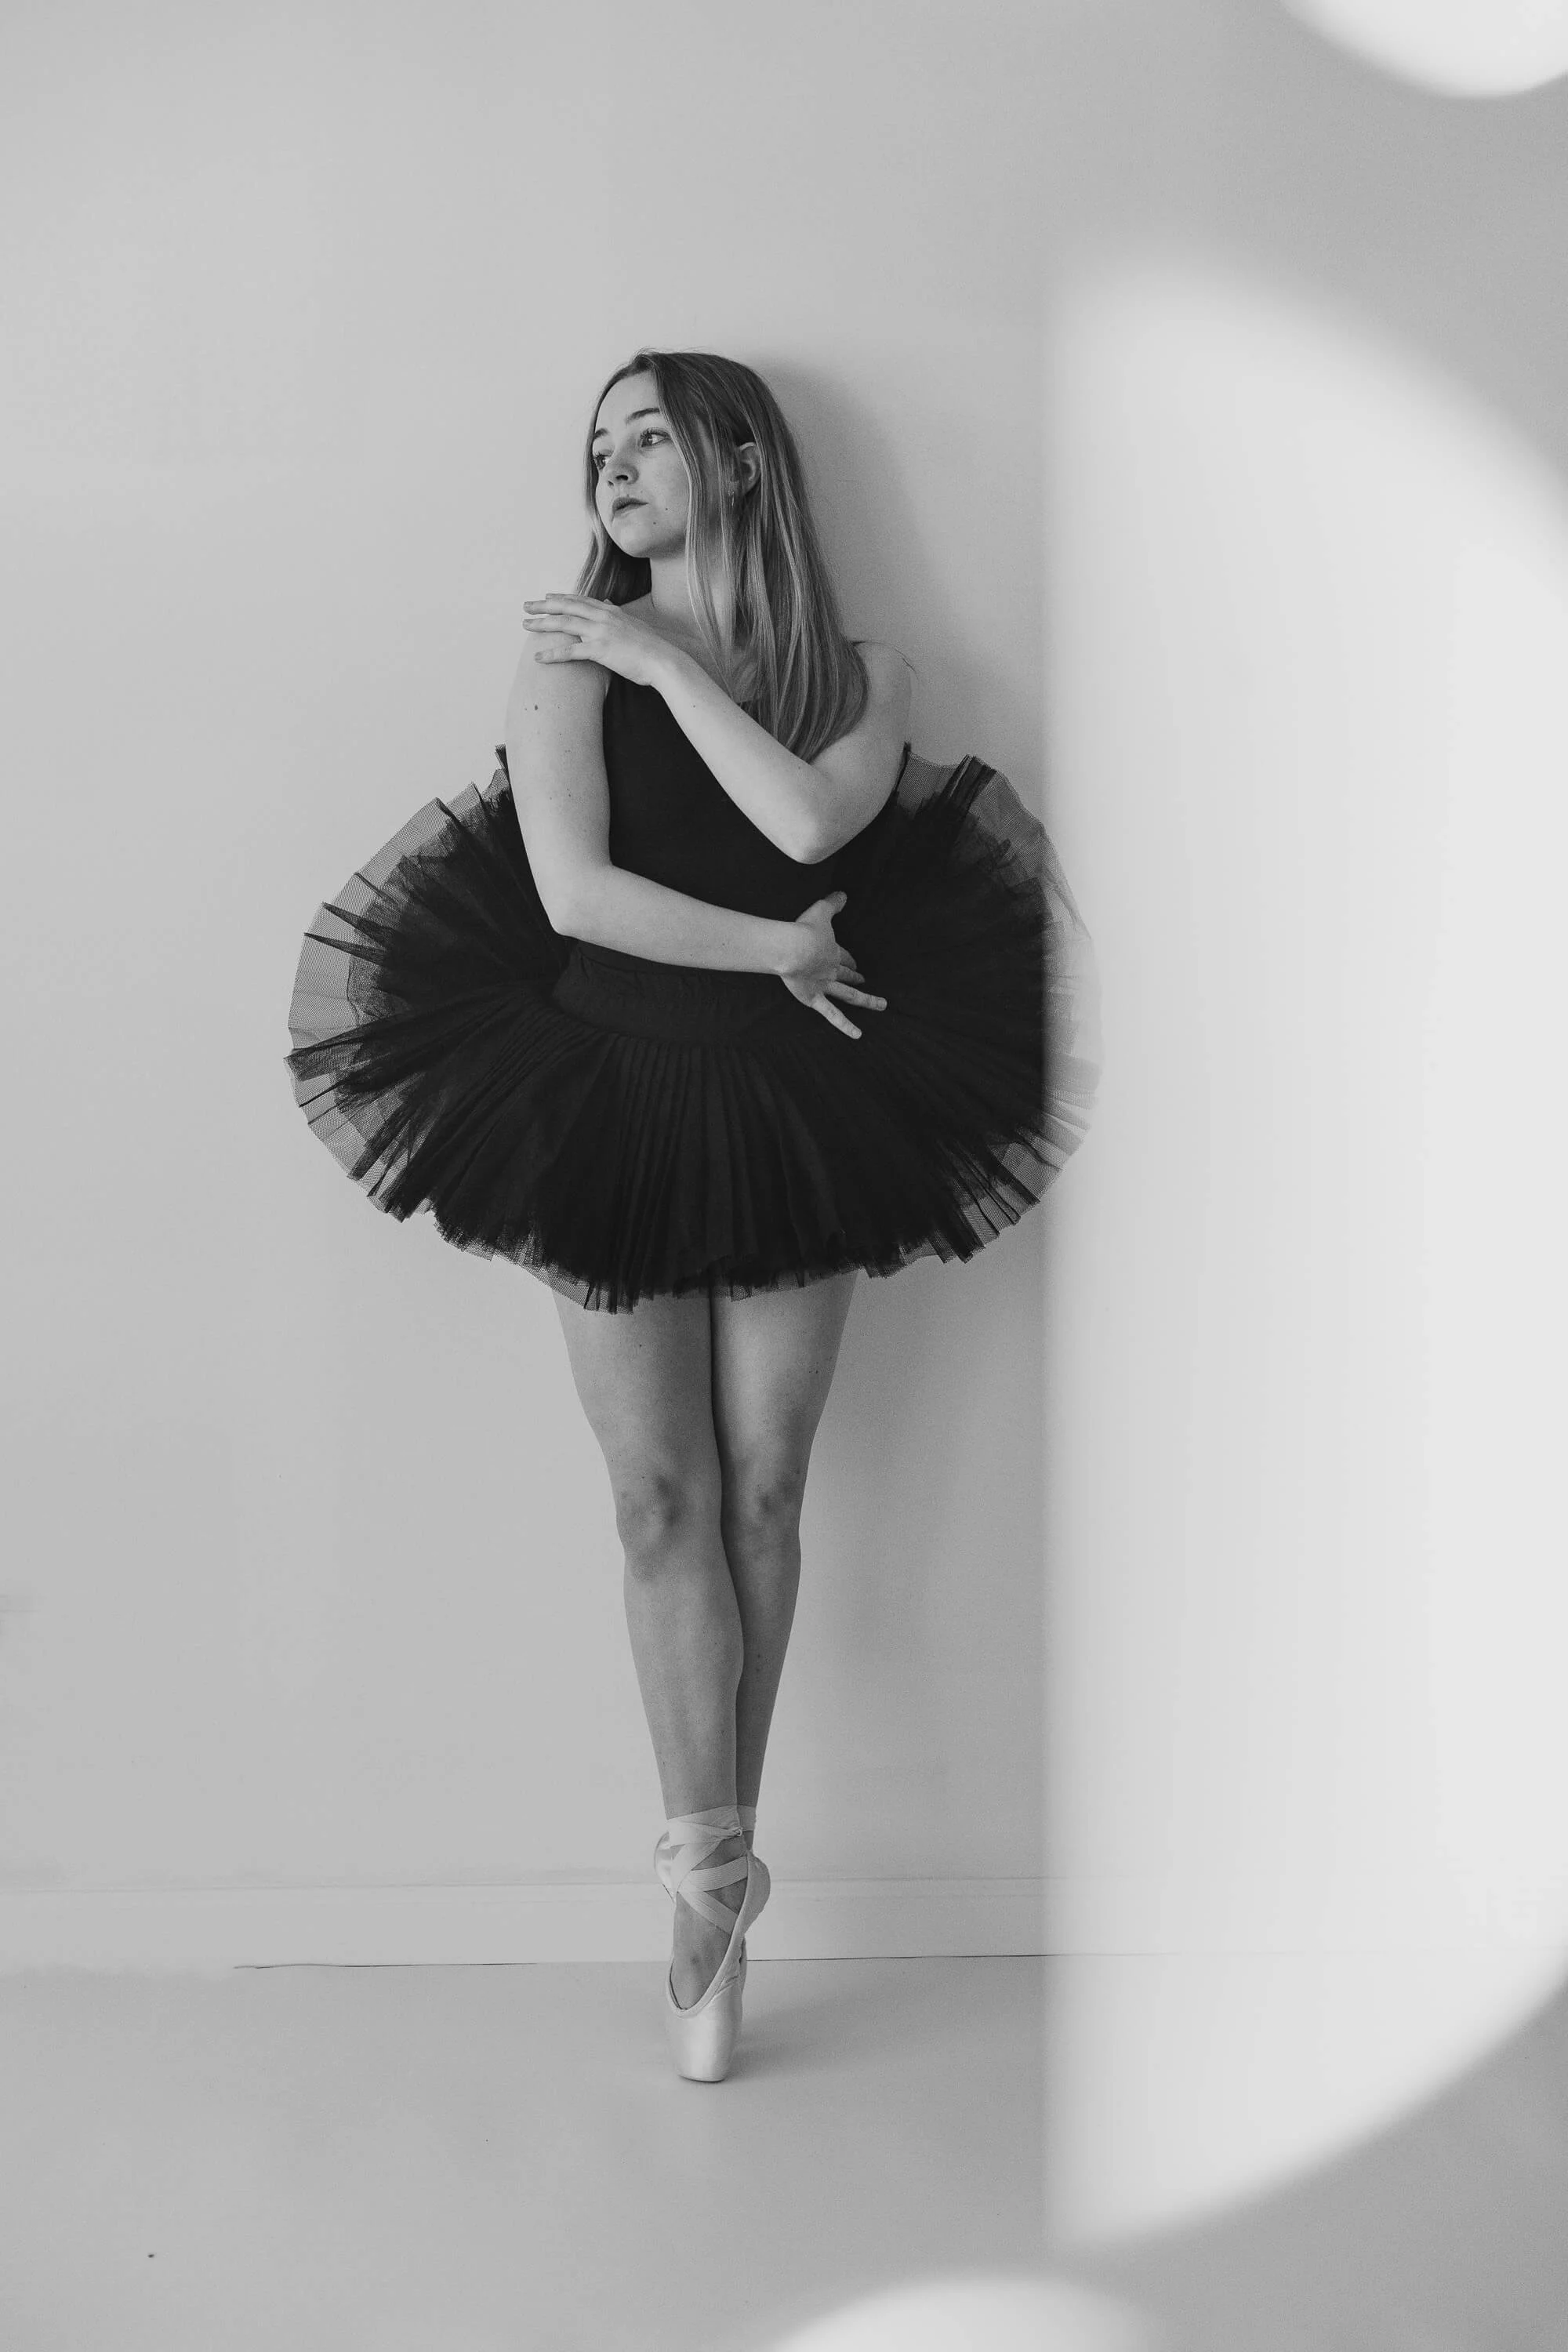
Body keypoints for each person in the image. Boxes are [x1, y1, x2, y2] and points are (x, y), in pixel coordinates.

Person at [284, 347, 1100, 2085]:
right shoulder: (554, 663)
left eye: (647, 435)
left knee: (767, 1488)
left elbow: (811, 815)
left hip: (810, 1107)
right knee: (658, 1497)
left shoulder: (857, 671)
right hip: (609, 1088)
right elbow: (578, 897)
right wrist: (772, 943)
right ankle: (705, 1875)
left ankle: (721, 1880)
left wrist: (663, 648)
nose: (613, 465)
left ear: (738, 463)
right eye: (596, 446)